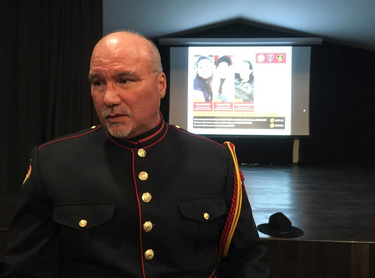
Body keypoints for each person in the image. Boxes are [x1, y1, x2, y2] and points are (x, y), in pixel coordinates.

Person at [4, 31, 269, 278]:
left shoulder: (216, 161)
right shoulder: (53, 162)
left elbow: (246, 258)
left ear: (161, 85)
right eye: (98, 83)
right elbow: (27, 268)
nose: (108, 98)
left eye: (124, 80)